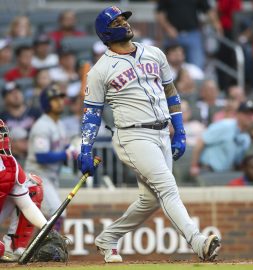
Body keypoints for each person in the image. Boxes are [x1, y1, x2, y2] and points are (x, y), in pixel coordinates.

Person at [77, 6, 221, 263]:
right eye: (117, 21)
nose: (124, 23)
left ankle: (108, 237)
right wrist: (85, 148)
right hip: (132, 136)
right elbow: (92, 113)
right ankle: (197, 241)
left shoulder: (154, 53)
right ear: (105, 33)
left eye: (124, 18)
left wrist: (181, 131)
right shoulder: (100, 70)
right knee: (167, 187)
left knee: (150, 200)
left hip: (162, 132)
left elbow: (171, 93)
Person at [24, 84, 77, 231]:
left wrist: (72, 150)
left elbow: (64, 146)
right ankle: (49, 250)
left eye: (60, 98)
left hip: (51, 177)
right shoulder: (41, 126)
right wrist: (66, 153)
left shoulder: (59, 124)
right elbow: (41, 156)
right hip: (37, 177)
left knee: (47, 218)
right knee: (56, 213)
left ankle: (42, 249)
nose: (60, 102)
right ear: (46, 103)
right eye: (54, 99)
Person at [0, 119, 46, 262]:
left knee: (32, 188)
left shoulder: (9, 163)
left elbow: (26, 205)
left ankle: (14, 247)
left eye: (1, 134)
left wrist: (47, 230)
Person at [190, 100, 253, 176]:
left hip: (225, 173)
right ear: (238, 114)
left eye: (251, 114)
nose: (249, 117)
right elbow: (201, 141)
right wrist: (194, 166)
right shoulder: (225, 125)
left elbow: (237, 162)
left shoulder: (246, 138)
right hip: (207, 170)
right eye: (246, 113)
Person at [155, 0, 222, 69]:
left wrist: (217, 25)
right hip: (173, 36)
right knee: (170, 66)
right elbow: (159, 13)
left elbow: (208, 10)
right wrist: (168, 28)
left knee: (197, 66)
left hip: (193, 35)